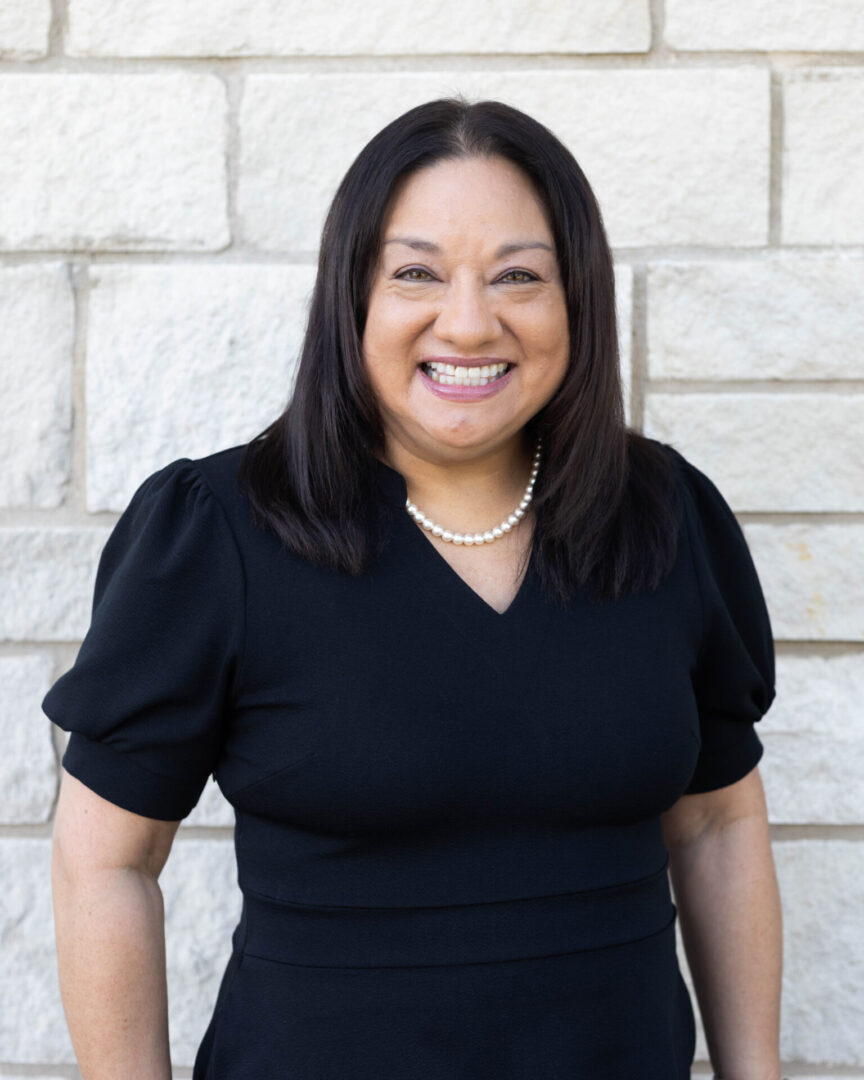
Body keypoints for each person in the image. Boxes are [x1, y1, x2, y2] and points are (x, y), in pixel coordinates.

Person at [43, 97, 783, 1080]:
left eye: (519, 275)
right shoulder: (218, 531)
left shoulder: (664, 517)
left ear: (578, 301)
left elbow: (719, 823)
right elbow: (105, 862)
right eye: (417, 274)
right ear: (353, 297)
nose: (470, 321)